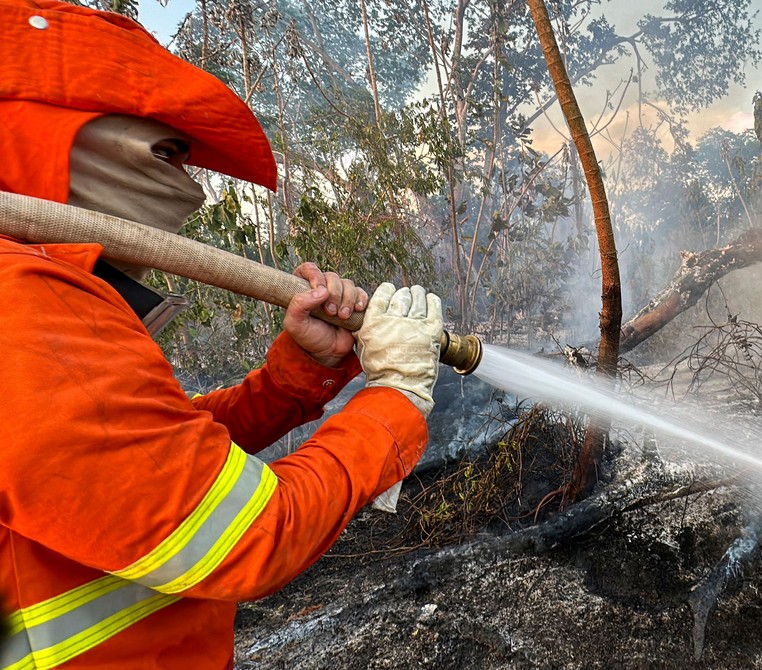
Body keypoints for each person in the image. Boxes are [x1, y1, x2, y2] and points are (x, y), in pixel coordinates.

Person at [0, 1, 443, 667]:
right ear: (55, 140)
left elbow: (144, 459)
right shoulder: (20, 310)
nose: (190, 192)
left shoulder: (33, 292)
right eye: (168, 154)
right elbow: (251, 538)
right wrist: (396, 396)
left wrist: (295, 377)